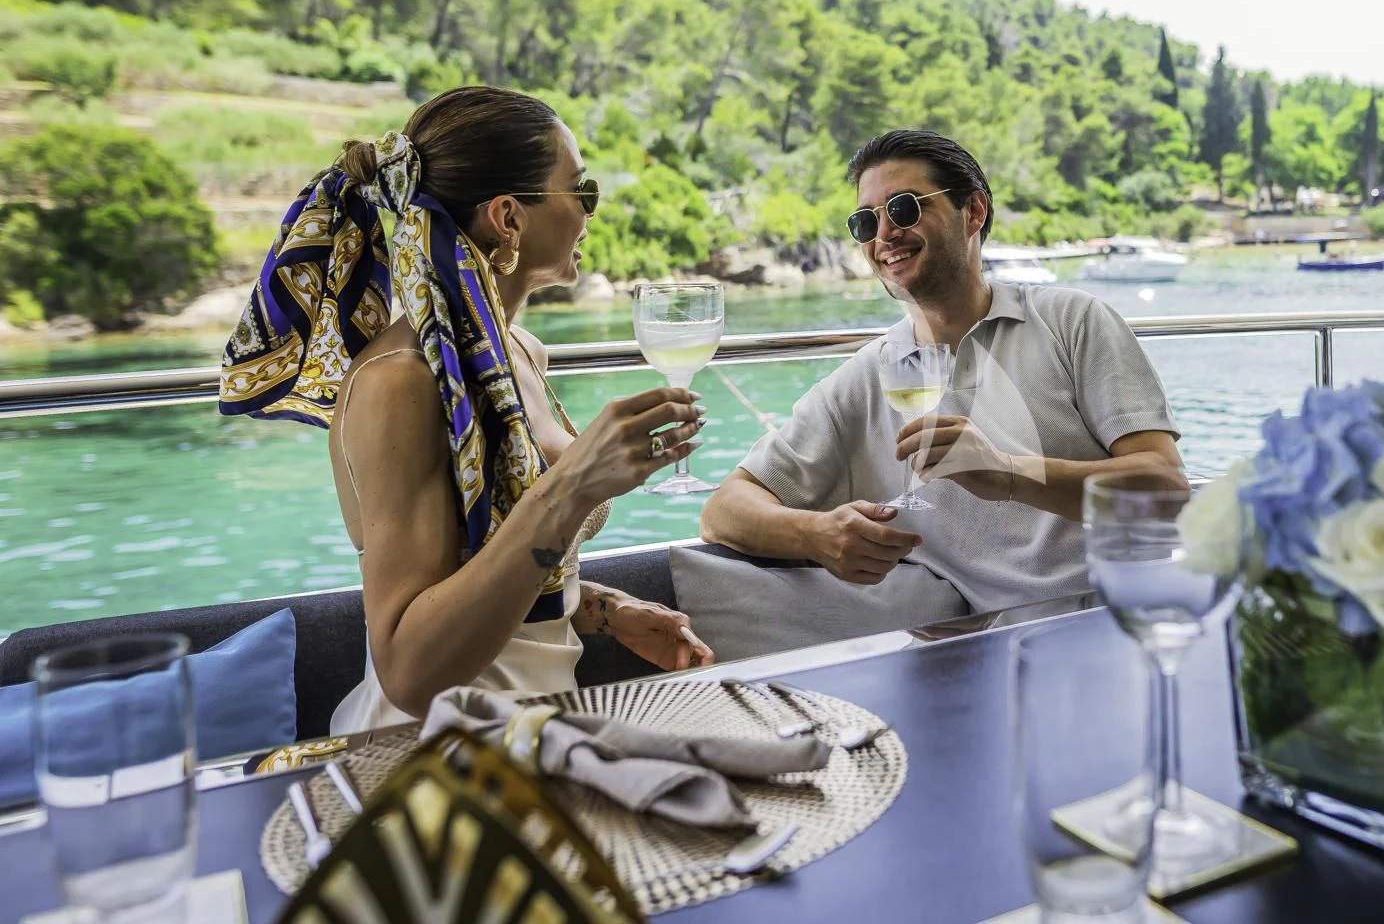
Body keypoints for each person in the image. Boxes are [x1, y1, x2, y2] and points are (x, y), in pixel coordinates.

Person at [220, 85, 713, 733]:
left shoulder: (523, 354)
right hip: (430, 755)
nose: (591, 214)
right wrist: (570, 487)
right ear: (508, 217)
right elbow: (409, 670)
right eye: (581, 192)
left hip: (538, 731)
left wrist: (599, 609)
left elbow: (488, 568)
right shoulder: (400, 383)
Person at [699, 129, 1183, 617]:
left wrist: (1009, 474)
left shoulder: (1071, 322)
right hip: (974, 649)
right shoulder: (866, 379)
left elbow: (1166, 489)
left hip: (1114, 618)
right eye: (866, 222)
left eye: (905, 208)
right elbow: (724, 512)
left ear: (973, 211)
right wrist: (816, 534)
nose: (884, 235)